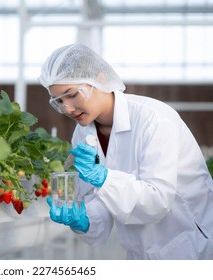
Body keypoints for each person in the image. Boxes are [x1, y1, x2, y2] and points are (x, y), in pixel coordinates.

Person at [39, 43, 213, 259]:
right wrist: (84, 219)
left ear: (99, 79)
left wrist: (105, 179)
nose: (67, 108)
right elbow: (101, 201)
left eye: (72, 94)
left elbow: (157, 201)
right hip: (139, 252)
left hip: (190, 247)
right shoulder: (83, 134)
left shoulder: (153, 119)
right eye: (59, 101)